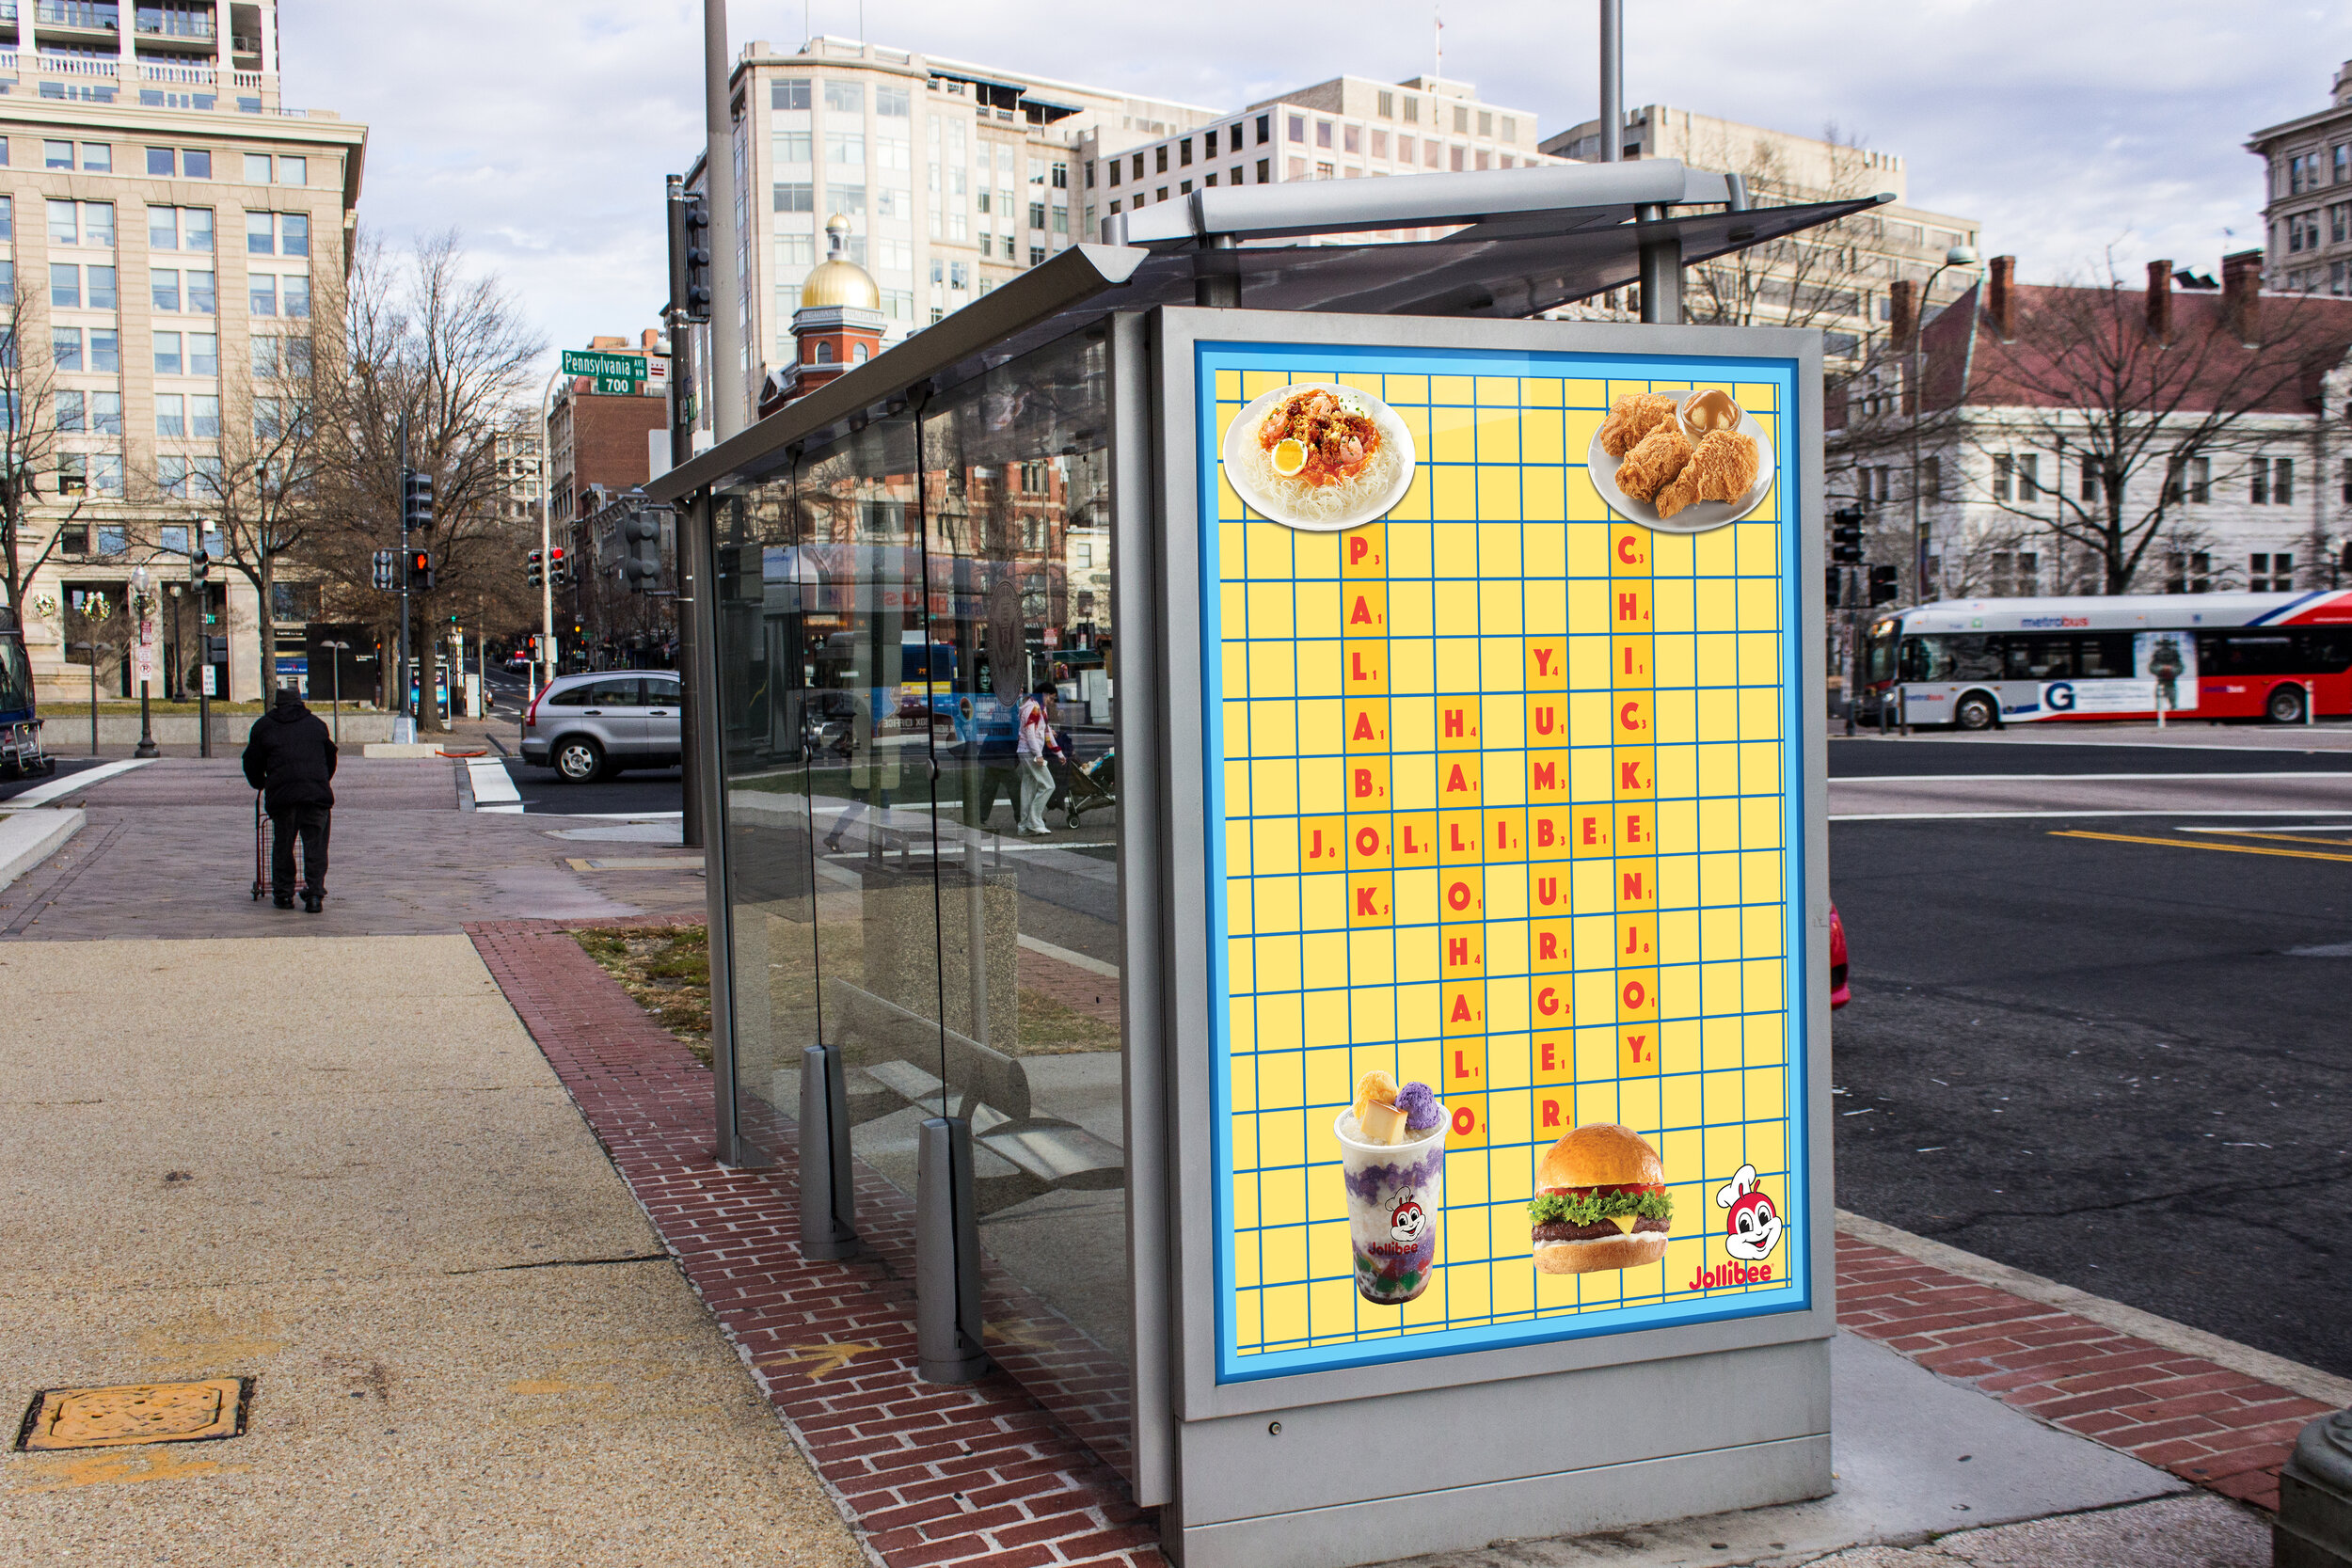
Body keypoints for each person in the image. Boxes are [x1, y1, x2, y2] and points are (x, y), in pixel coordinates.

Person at [243, 685, 338, 911]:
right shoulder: (317, 726)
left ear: (277, 704)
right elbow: (330, 758)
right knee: (315, 846)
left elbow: (251, 762)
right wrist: (321, 780)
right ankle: (315, 894)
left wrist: (261, 783)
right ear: (300, 702)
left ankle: (283, 894)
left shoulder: (264, 727)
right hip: (315, 795)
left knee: (283, 845)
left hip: (283, 796)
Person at [1015, 682, 1064, 836]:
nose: (1052, 701)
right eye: (1051, 697)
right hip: (1031, 753)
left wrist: (1059, 753)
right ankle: (1034, 821)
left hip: (1024, 751)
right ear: (1044, 693)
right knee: (1048, 785)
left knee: (1028, 789)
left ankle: (1024, 826)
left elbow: (1046, 732)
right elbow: (1031, 733)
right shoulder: (1035, 708)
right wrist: (1039, 754)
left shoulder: (1035, 707)